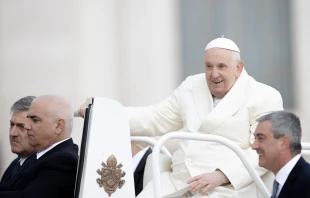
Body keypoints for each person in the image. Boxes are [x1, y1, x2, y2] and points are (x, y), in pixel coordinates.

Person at [79, 37, 283, 197]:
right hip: (180, 180)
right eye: (208, 66)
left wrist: (221, 176)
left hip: (230, 186)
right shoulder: (191, 87)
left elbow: (265, 150)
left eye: (221, 66)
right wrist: (103, 113)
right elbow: (155, 118)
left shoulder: (264, 96)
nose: (214, 74)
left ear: (238, 68)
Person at [0, 95, 79, 198]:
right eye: (28, 120)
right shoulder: (38, 156)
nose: (27, 126)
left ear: (58, 126)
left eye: (35, 120)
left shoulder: (64, 161)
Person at [252, 111, 310, 198]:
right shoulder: (284, 183)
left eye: (260, 138)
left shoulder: (306, 182)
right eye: (255, 139)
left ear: (284, 143)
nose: (254, 146)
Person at [0, 96, 36, 189]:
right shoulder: (16, 163)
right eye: (12, 125)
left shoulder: (40, 167)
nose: (13, 133)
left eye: (21, 127)